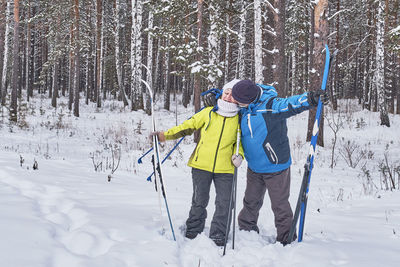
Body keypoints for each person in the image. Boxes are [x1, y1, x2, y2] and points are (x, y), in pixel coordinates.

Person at [230, 79, 328, 245]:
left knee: (280, 204)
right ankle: (246, 229)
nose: (235, 102)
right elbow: (225, 97)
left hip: (275, 166)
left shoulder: (271, 105)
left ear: (249, 99)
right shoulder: (242, 105)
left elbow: (290, 104)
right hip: (254, 166)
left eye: (238, 101)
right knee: (250, 201)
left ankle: (286, 237)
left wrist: (311, 99)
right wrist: (213, 97)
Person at [150, 80, 244, 246]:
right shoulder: (208, 112)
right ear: (222, 93)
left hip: (226, 168)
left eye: (233, 95)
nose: (228, 97)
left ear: (238, 98)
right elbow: (186, 127)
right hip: (201, 165)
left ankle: (219, 235)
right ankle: (193, 231)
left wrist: (240, 156)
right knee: (199, 201)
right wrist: (164, 135)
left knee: (225, 203)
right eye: (226, 93)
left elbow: (240, 143)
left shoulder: (240, 118)